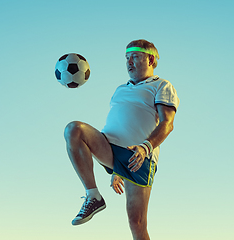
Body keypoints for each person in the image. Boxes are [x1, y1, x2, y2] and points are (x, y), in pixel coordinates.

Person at [64, 39, 180, 240]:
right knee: (74, 129)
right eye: (127, 58)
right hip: (108, 147)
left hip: (138, 157)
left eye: (135, 57)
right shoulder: (120, 89)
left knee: (137, 224)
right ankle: (93, 196)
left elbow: (167, 124)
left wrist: (146, 147)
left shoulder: (162, 85)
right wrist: (114, 169)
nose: (129, 62)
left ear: (150, 59)